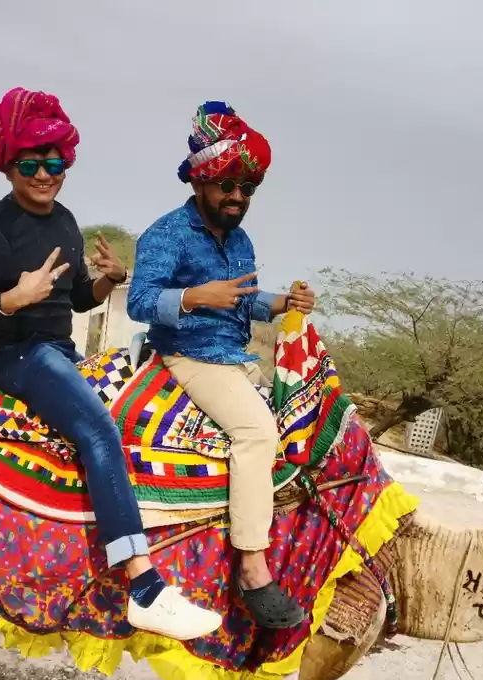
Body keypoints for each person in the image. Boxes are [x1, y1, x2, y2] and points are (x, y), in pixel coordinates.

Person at [0, 87, 222, 642]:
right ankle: (144, 587)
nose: (44, 173)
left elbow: (74, 298)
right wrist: (8, 301)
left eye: (54, 161)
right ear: (8, 165)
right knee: (98, 429)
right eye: (30, 163)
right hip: (13, 354)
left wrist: (108, 280)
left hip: (60, 352)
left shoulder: (64, 220)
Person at [127, 101, 316, 629]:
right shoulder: (167, 234)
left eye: (247, 189)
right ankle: (253, 568)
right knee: (257, 433)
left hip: (236, 357)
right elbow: (139, 301)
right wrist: (192, 297)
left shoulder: (241, 240)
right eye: (227, 186)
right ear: (200, 182)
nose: (237, 197)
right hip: (189, 354)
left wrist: (285, 302)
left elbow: (245, 299)